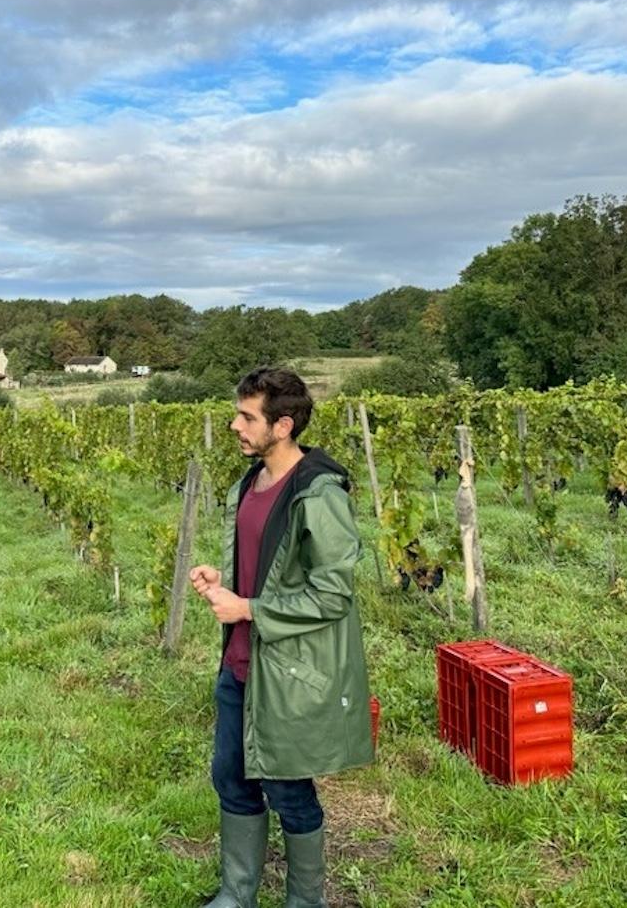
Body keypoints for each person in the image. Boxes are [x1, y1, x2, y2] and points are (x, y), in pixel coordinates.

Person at [189, 367, 374, 908]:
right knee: (231, 777)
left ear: (284, 425)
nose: (234, 425)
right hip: (241, 665)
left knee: (289, 791)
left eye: (247, 416)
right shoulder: (250, 484)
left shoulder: (317, 493)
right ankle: (237, 892)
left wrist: (246, 607)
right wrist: (227, 582)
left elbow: (333, 594)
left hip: (288, 671)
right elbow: (270, 570)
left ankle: (305, 902)